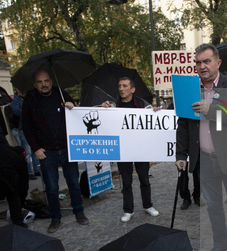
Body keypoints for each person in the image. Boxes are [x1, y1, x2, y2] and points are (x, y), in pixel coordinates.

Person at [175, 43, 227, 251]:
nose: (202, 66)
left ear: (218, 63)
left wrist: (213, 110)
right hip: (204, 161)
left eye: (206, 61)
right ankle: (221, 244)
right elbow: (184, 124)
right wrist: (181, 155)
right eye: (198, 62)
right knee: (213, 207)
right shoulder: (191, 88)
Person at [21, 70, 90, 233]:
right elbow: (26, 127)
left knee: (74, 183)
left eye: (46, 81)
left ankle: (79, 213)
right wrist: (36, 148)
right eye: (39, 82)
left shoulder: (62, 94)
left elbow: (77, 117)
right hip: (46, 151)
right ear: (34, 84)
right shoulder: (30, 99)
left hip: (67, 148)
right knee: (51, 187)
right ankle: (55, 218)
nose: (43, 84)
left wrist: (72, 107)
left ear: (51, 81)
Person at [101, 77, 160, 222]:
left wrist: (156, 112)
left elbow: (153, 121)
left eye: (125, 86)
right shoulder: (113, 105)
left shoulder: (142, 105)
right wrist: (102, 108)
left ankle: (148, 205)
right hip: (123, 149)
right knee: (126, 181)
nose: (121, 88)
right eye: (120, 86)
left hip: (141, 148)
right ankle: (128, 210)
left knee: (144, 178)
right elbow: (101, 119)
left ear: (132, 89)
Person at [11, 88, 41, 180]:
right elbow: (16, 111)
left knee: (35, 150)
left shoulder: (29, 98)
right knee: (27, 151)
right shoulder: (15, 100)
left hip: (33, 128)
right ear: (17, 89)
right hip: (23, 128)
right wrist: (27, 111)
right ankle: (29, 172)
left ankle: (37, 169)